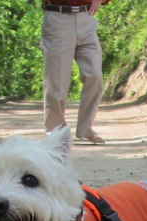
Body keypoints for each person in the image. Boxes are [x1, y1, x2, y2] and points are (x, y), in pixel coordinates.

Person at [40, 0, 110, 143]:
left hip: (86, 17)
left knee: (95, 75)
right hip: (58, 16)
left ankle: (86, 128)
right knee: (57, 80)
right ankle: (55, 129)